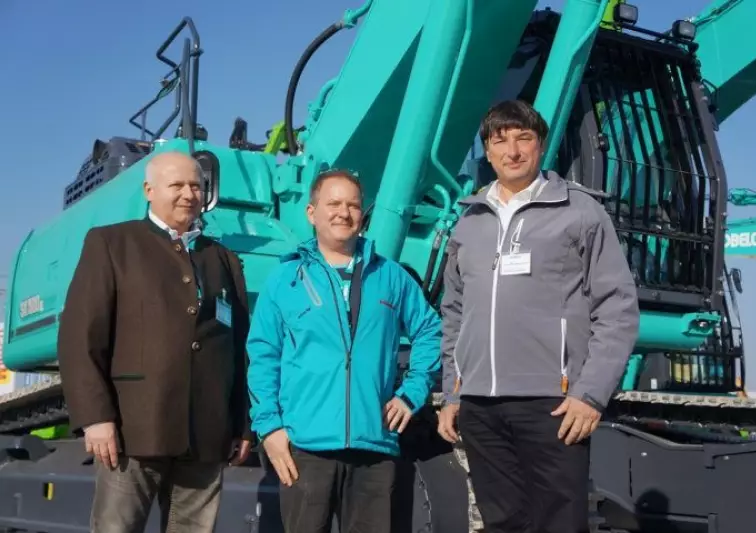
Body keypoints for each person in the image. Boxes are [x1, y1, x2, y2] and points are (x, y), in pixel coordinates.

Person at [437, 100, 640, 533]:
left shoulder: (580, 212)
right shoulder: (468, 223)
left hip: (553, 404)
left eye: (523, 138)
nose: (512, 150)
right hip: (479, 406)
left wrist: (590, 394)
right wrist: (452, 394)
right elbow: (454, 312)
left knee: (559, 524)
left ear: (540, 145)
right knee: (501, 523)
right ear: (487, 152)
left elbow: (617, 306)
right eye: (500, 140)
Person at [58, 151, 253, 533]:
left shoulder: (223, 259)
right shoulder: (112, 244)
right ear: (149, 190)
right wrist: (96, 417)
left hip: (206, 433)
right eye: (176, 185)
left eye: (196, 185)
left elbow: (239, 348)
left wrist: (241, 423)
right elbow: (80, 336)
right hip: (132, 430)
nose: (188, 194)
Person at [247, 169, 442, 533]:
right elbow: (263, 355)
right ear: (311, 212)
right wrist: (269, 427)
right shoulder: (285, 280)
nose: (343, 212)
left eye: (353, 205)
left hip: (375, 446)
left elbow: (430, 329)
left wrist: (411, 393)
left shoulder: (392, 276)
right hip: (305, 446)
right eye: (333, 203)